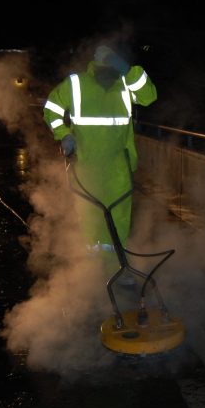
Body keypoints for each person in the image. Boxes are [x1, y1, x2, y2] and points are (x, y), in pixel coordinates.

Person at [43, 42, 157, 265]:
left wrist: (126, 69)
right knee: (89, 216)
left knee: (119, 219)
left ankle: (117, 267)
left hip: (119, 165)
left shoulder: (126, 82)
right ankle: (92, 270)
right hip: (86, 163)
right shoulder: (77, 84)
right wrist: (64, 134)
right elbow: (52, 108)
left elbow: (149, 95)